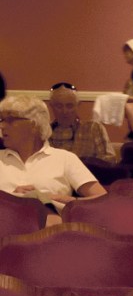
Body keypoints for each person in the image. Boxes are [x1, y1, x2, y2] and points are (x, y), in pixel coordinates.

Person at [0, 95, 106, 223]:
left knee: (41, 204)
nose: (2, 126)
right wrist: (11, 198)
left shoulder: (64, 158)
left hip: (51, 232)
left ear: (34, 124)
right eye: (2, 120)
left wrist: (71, 201)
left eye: (10, 120)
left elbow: (102, 199)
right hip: (5, 227)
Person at [47, 82, 116, 164]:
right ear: (51, 106)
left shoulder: (92, 128)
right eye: (59, 106)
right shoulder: (44, 131)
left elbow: (109, 161)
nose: (64, 111)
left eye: (69, 106)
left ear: (78, 105)